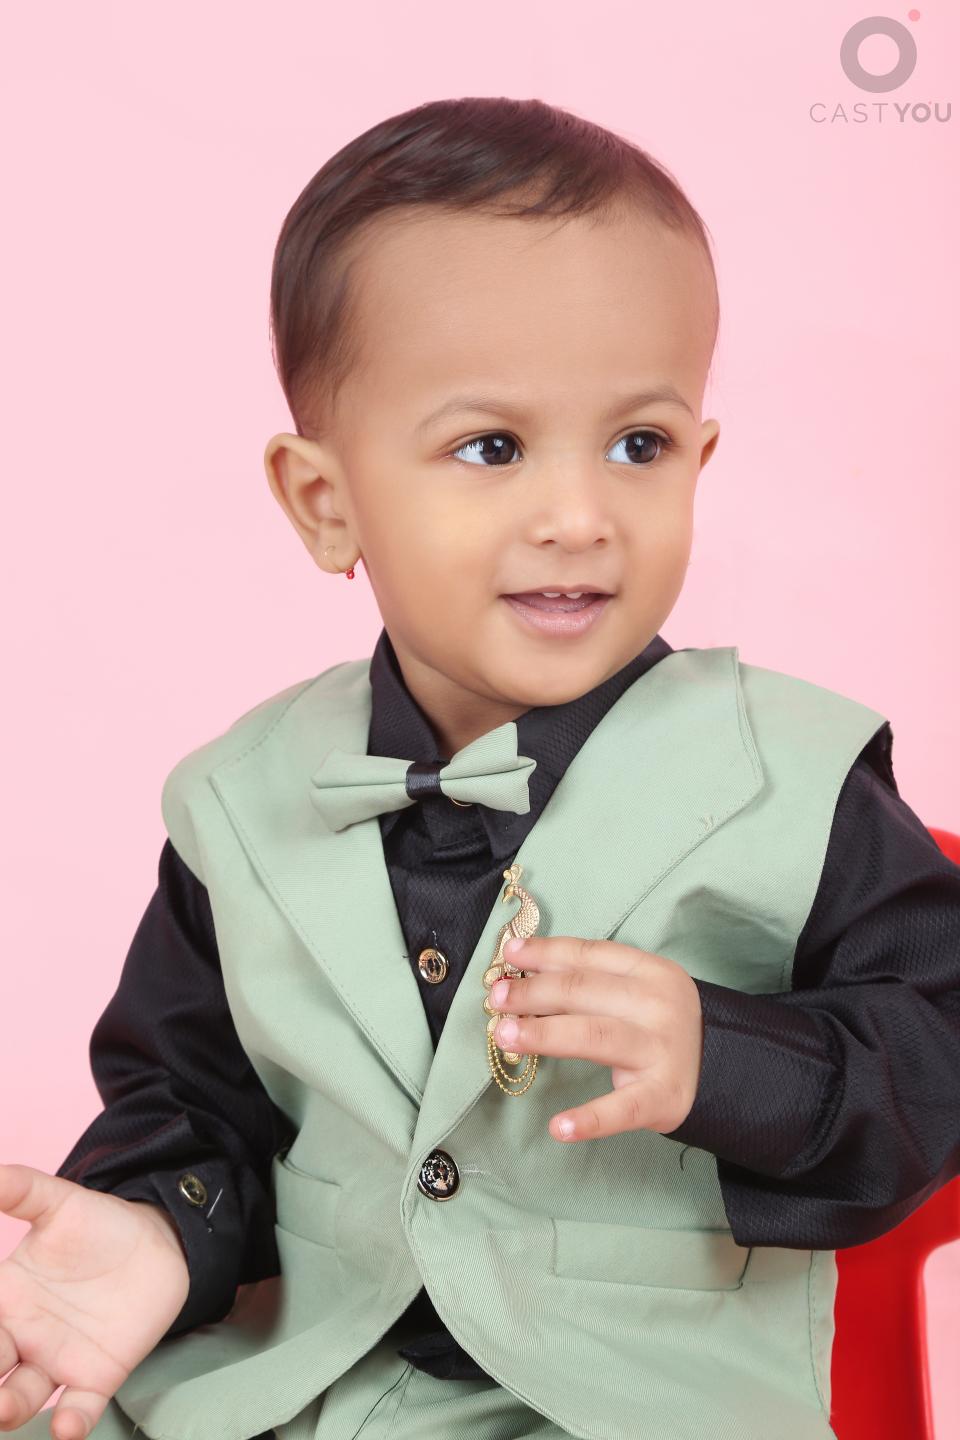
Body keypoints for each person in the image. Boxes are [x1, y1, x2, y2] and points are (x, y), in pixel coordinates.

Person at [1, 95, 959, 1440]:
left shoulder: (795, 780)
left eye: (638, 445)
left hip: (640, 1407)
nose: (579, 515)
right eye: (492, 448)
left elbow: (940, 1054)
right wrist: (157, 1229)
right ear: (326, 503)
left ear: (700, 458)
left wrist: (730, 1057)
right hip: (301, 1387)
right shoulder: (240, 799)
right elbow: (190, 1095)